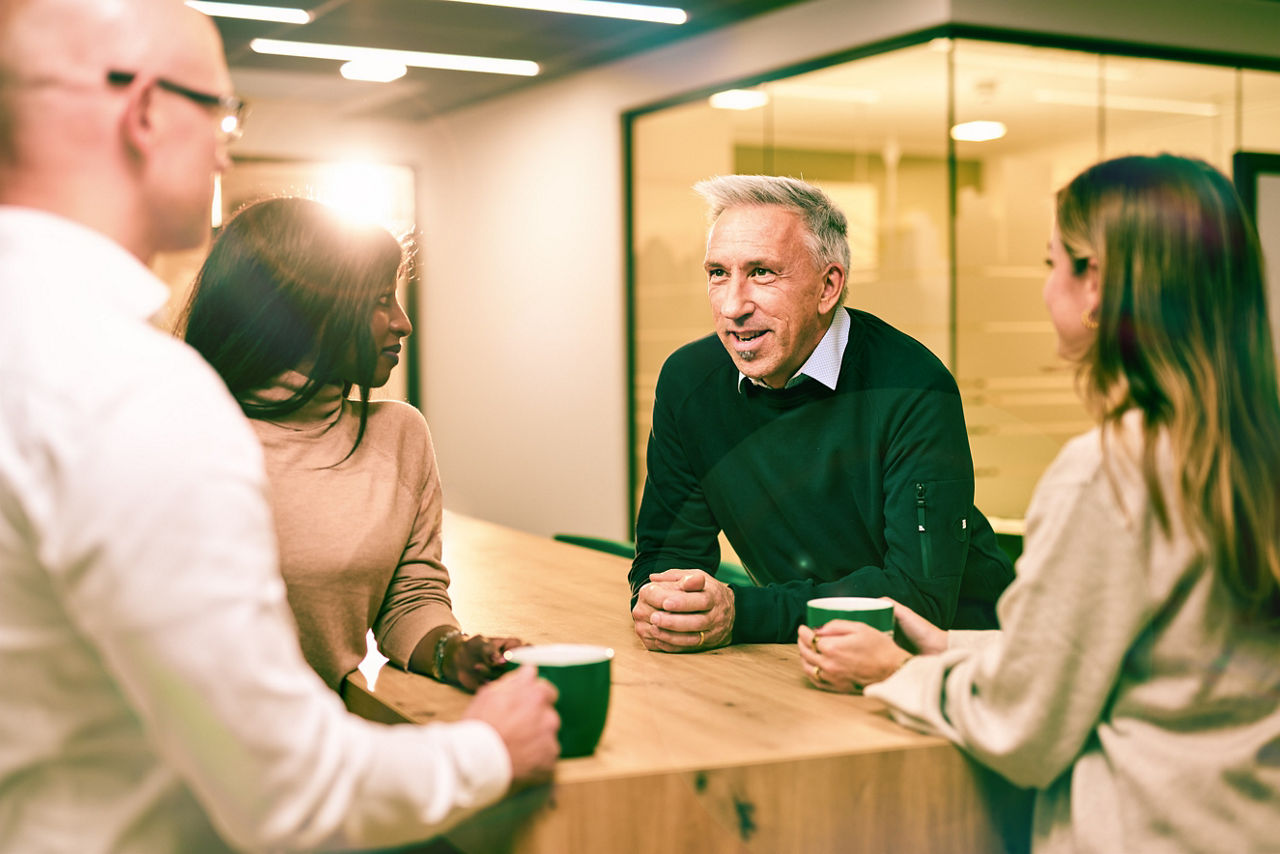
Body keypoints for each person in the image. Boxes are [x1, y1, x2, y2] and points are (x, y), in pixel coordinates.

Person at [0, 1, 557, 851]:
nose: (227, 139)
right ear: (145, 110)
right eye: (219, 108)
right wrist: (490, 747)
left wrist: (445, 650)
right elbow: (289, 791)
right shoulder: (136, 394)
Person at [798, 154, 1280, 852]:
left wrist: (899, 673)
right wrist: (951, 646)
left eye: (1053, 263)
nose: (1046, 287)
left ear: (1097, 288)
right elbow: (1167, 671)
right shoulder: (1248, 453)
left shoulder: (1110, 473)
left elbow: (1021, 730)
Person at [630, 174, 1013, 652]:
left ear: (828, 286)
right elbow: (667, 554)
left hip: (961, 658)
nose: (732, 306)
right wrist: (665, 603)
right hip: (805, 647)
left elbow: (919, 599)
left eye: (762, 273)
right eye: (717, 274)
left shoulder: (912, 385)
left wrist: (741, 612)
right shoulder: (689, 383)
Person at [180, 196, 520, 694]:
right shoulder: (180, 437)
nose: (403, 322)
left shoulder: (400, 435)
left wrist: (455, 652)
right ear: (303, 312)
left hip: (323, 747)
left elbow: (408, 596)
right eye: (381, 300)